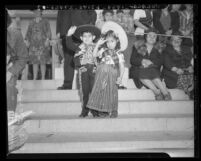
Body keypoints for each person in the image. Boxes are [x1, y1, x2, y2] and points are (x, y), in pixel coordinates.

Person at [87, 21, 127, 118]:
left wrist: (120, 77)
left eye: (112, 41)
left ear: (117, 41)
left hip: (112, 74)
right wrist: (97, 45)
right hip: (101, 74)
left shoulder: (119, 53)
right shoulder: (103, 50)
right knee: (101, 91)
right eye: (107, 41)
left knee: (112, 92)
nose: (109, 44)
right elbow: (94, 55)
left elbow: (122, 66)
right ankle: (102, 110)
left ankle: (113, 109)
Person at [64, 24, 101, 117]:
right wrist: (68, 36)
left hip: (94, 71)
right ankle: (85, 110)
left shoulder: (97, 47)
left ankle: (95, 110)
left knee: (94, 91)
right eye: (84, 36)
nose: (87, 38)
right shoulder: (79, 47)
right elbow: (70, 46)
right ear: (81, 37)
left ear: (93, 37)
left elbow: (100, 58)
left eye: (89, 36)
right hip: (83, 71)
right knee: (84, 92)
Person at [56, 10, 97, 89]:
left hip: (82, 30)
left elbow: (93, 12)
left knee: (84, 58)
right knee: (68, 59)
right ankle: (67, 84)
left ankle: (87, 84)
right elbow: (60, 13)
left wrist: (91, 23)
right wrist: (59, 30)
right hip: (66, 31)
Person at [6, 9, 29, 152]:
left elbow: (22, 57)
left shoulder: (15, 33)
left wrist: (10, 72)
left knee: (8, 87)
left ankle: (10, 118)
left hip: (8, 70)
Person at [130, 28, 172, 100]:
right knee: (142, 72)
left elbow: (161, 62)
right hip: (138, 69)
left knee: (152, 71)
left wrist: (150, 63)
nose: (152, 38)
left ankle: (164, 93)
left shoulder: (160, 48)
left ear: (157, 38)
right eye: (149, 35)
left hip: (153, 70)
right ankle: (157, 92)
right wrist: (142, 61)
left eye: (154, 36)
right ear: (146, 36)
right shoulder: (138, 45)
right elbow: (132, 60)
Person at [161, 32, 193, 99]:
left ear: (181, 40)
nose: (176, 41)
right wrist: (176, 69)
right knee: (182, 77)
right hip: (171, 72)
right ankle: (187, 92)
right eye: (174, 39)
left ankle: (189, 91)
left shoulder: (186, 49)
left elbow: (188, 61)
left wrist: (190, 67)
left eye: (179, 39)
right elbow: (167, 63)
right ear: (171, 40)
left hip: (185, 71)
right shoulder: (166, 50)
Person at [25, 9, 52, 80]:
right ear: (34, 13)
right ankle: (34, 77)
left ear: (41, 12)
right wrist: (27, 41)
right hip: (33, 45)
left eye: (38, 11)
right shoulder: (31, 22)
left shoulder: (45, 21)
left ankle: (43, 77)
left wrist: (47, 40)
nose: (37, 12)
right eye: (35, 11)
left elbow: (48, 31)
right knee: (34, 62)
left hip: (43, 44)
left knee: (43, 61)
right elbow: (28, 32)